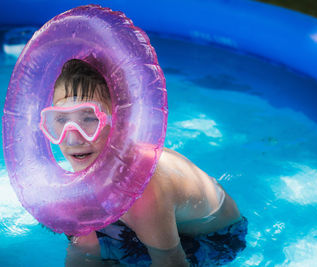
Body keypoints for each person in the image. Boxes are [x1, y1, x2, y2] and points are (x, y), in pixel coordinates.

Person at [40, 59, 247, 266]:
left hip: (213, 239)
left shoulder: (143, 189)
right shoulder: (79, 175)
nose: (73, 138)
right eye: (61, 119)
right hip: (148, 227)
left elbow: (170, 261)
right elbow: (83, 253)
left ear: (121, 123)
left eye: (89, 118)